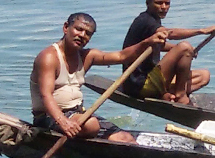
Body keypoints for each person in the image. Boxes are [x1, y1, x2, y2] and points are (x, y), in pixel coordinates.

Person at [31, 13, 166, 142]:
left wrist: (147, 42)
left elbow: (121, 56)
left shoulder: (86, 56)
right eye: (79, 29)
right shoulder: (49, 57)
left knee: (125, 138)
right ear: (66, 27)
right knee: (92, 125)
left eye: (88, 33)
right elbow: (46, 95)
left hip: (78, 115)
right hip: (49, 117)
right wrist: (63, 121)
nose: (82, 35)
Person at [120, 0, 215, 105]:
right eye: (159, 3)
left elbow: (159, 45)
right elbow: (169, 33)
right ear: (148, 3)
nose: (164, 7)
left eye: (167, 3)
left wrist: (178, 50)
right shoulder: (145, 20)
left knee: (204, 76)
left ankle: (165, 93)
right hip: (139, 84)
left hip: (153, 79)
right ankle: (180, 95)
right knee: (184, 47)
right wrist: (201, 31)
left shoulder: (154, 21)